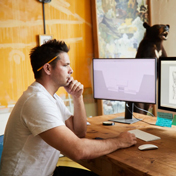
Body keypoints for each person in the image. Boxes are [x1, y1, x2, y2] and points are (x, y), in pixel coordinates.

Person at [0, 39, 137, 176]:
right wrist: (119, 142)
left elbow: (79, 132)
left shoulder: (51, 97)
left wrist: (77, 97)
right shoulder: (36, 101)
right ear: (48, 68)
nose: (71, 70)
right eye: (65, 65)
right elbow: (78, 150)